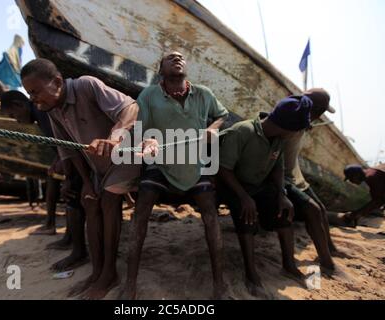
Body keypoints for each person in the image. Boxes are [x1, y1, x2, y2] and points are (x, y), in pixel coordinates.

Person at [20, 58, 141, 299]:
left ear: (56, 82)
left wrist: (115, 137)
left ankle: (109, 274)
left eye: (35, 92)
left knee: (108, 200)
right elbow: (70, 150)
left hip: (129, 155)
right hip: (99, 169)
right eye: (29, 94)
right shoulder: (52, 110)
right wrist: (85, 182)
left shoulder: (87, 85)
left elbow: (131, 108)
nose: (33, 100)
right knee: (90, 201)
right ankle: (97, 272)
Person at [120, 51, 229, 300]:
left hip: (195, 164)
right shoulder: (148, 95)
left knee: (210, 213)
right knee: (142, 206)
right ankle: (130, 283)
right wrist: (147, 141)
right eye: (170, 58)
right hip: (161, 163)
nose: (177, 58)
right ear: (161, 69)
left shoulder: (204, 93)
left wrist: (212, 129)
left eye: (180, 57)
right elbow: (141, 130)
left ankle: (219, 284)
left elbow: (222, 115)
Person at [218, 96, 310, 296]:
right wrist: (243, 197)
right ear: (288, 127)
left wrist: (282, 194)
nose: (297, 133)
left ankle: (289, 264)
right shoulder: (242, 131)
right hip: (233, 185)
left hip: (258, 185)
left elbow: (278, 168)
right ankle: (251, 274)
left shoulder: (278, 138)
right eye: (298, 129)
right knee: (248, 217)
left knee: (285, 212)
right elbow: (224, 169)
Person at [282, 88, 339, 271]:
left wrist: (306, 122)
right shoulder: (292, 118)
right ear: (319, 111)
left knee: (321, 209)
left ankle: (330, 249)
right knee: (313, 212)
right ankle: (326, 261)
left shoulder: (302, 118)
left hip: (295, 175)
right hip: (283, 177)